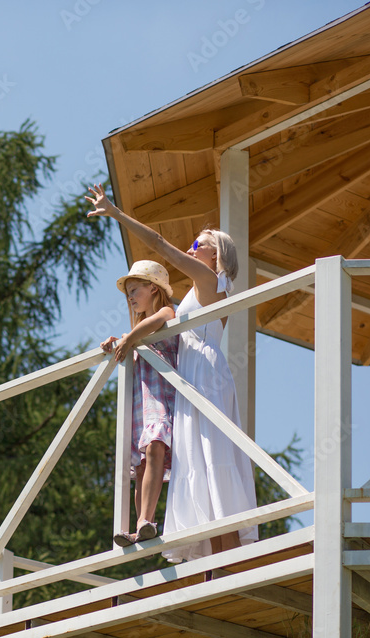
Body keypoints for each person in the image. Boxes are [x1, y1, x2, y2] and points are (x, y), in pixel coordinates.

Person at [86, 184, 257, 561]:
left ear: (217, 254)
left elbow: (162, 246)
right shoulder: (203, 288)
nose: (193, 249)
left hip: (204, 376)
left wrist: (116, 214)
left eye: (200, 244)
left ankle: (229, 562)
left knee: (212, 460)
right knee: (198, 462)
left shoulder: (210, 282)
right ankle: (217, 561)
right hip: (189, 375)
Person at [100, 260, 178, 547]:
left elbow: (156, 321)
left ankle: (147, 519)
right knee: (141, 465)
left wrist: (128, 338)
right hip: (140, 406)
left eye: (135, 290)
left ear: (154, 288)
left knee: (156, 446)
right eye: (128, 293)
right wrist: (117, 341)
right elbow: (134, 338)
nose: (131, 297)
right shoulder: (135, 335)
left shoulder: (167, 313)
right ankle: (138, 527)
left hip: (161, 399)